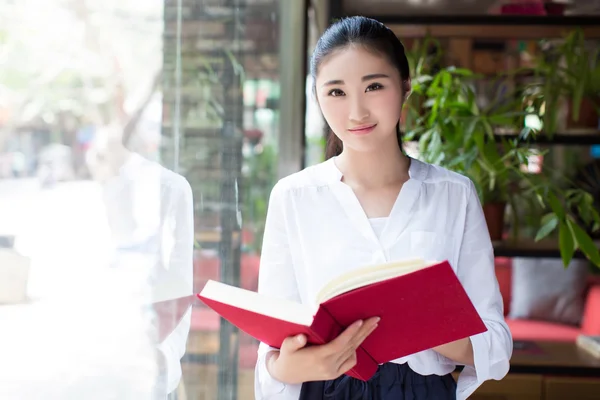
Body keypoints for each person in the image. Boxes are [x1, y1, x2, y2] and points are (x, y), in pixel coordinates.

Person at [254, 16, 512, 400]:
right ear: (318, 97)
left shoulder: (453, 195)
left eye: (374, 86)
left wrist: (426, 326)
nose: (356, 112)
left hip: (422, 391)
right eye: (336, 92)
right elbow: (273, 351)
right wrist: (294, 364)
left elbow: (495, 343)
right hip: (325, 389)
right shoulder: (293, 197)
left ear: (405, 87)